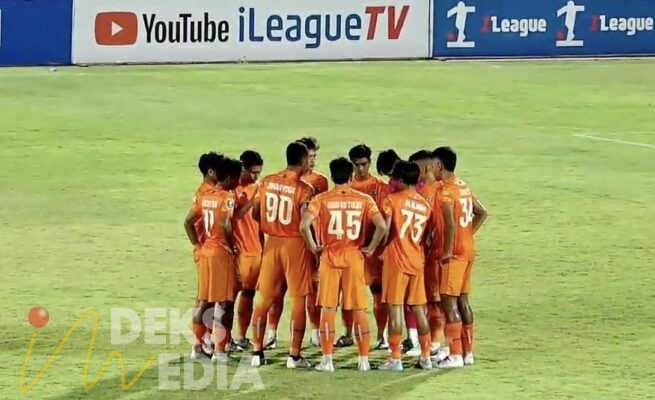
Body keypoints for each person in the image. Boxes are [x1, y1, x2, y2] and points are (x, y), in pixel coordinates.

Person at [300, 157, 388, 372]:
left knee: (328, 309)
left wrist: (314, 246)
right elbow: (382, 226)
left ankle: (327, 360)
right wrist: (371, 248)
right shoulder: (364, 199)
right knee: (359, 309)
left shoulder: (321, 199)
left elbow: (304, 225)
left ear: (332, 176)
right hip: (354, 258)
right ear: (350, 176)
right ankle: (364, 360)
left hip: (330, 258)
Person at [250, 142, 315, 368]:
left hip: (272, 245)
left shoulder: (267, 181)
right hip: (294, 246)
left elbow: (256, 212)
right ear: (303, 160)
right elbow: (306, 223)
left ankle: (256, 352)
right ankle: (294, 356)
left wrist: (270, 225)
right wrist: (314, 247)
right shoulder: (304, 188)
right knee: (298, 300)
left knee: (264, 300)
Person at [432, 146, 488, 369]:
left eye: (433, 166)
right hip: (468, 250)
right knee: (463, 300)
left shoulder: (446, 192)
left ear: (439, 165)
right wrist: (468, 234)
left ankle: (454, 355)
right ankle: (467, 352)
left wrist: (447, 251)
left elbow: (450, 224)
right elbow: (482, 212)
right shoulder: (463, 186)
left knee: (448, 301)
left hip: (454, 254)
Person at [184, 157, 243, 363]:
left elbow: (188, 222)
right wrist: (232, 246)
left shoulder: (204, 195)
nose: (239, 182)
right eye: (237, 178)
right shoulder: (227, 197)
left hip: (206, 251)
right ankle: (219, 351)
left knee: (204, 301)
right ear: (230, 177)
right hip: (220, 254)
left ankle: (197, 347)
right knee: (224, 303)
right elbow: (226, 223)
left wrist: (197, 245)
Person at [379, 161, 433, 371]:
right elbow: (426, 236)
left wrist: (379, 248)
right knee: (419, 309)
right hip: (416, 261)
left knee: (395, 309)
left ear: (400, 180)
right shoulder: (425, 205)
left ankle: (395, 359)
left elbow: (385, 229)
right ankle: (426, 357)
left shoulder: (391, 200)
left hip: (396, 260)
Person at [345, 144, 390, 350]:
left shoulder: (380, 187)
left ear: (370, 162)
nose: (361, 168)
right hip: (351, 249)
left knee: (378, 293)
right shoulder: (346, 185)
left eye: (364, 164)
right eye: (357, 165)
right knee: (349, 294)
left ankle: (382, 336)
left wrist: (378, 246)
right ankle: (348, 334)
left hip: (375, 249)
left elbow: (386, 221)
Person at [409, 150, 449, 362]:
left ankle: (436, 343)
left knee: (435, 300)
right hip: (437, 253)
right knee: (438, 299)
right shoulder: (443, 188)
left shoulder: (430, 193)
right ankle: (444, 344)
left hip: (434, 255)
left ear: (424, 169)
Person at [190, 152, 224, 355]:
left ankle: (205, 340)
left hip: (206, 250)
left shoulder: (205, 191)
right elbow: (189, 222)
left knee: (208, 297)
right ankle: (198, 343)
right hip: (208, 251)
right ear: (210, 171)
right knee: (205, 298)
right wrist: (198, 245)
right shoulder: (206, 193)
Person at [296, 136, 329, 347]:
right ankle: (272, 333)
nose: (313, 160)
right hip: (295, 243)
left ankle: (316, 330)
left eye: (315, 156)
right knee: (291, 290)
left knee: (314, 287)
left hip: (314, 241)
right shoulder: (291, 181)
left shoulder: (321, 181)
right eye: (309, 156)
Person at [232, 150, 264, 351]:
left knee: (249, 294)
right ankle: (221, 339)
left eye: (258, 172)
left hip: (255, 250)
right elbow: (234, 217)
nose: (255, 176)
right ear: (243, 168)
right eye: (252, 172)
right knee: (228, 297)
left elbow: (260, 221)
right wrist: (253, 200)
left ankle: (242, 337)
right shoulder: (232, 188)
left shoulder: (258, 187)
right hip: (238, 251)